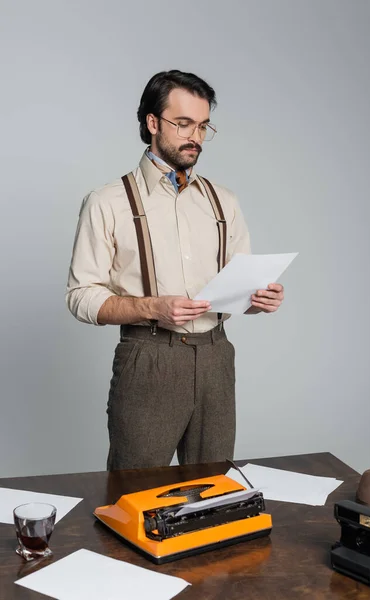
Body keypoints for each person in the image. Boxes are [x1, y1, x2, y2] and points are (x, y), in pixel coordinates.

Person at [66, 70, 284, 470]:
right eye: (183, 124)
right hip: (149, 356)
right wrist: (152, 307)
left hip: (217, 356)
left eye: (203, 126)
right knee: (134, 491)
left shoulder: (224, 202)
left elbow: (239, 294)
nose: (195, 137)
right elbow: (80, 298)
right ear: (153, 123)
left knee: (213, 488)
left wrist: (259, 298)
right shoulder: (107, 202)